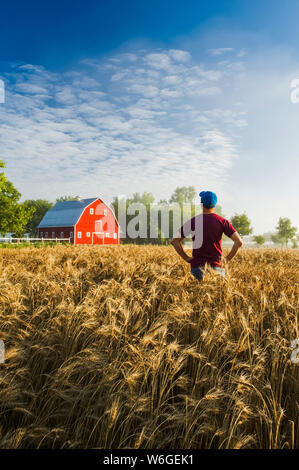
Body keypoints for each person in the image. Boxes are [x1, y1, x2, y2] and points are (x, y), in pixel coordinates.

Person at [171, 191, 243, 280]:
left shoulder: (193, 221)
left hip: (197, 268)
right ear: (214, 205)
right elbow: (239, 242)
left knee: (197, 293)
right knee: (218, 293)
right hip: (217, 268)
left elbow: (175, 241)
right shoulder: (222, 221)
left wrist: (186, 258)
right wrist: (226, 260)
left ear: (201, 204)